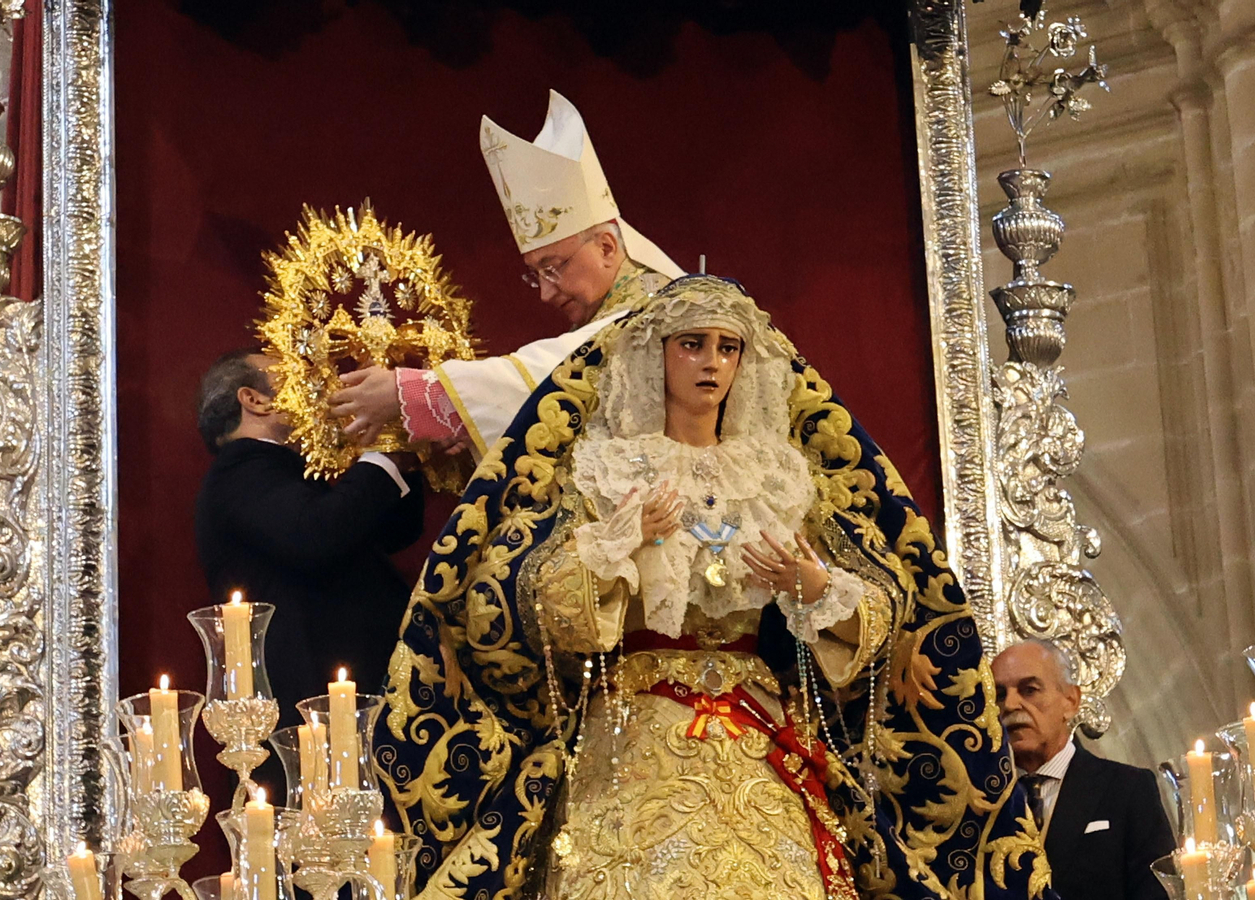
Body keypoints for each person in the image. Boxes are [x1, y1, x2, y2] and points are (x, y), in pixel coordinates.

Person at [371, 276, 1054, 900]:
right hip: (634, 723)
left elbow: (882, 598)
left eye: (728, 348)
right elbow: (540, 600)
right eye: (692, 344)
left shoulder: (778, 475)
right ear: (655, 355)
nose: (711, 363)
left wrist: (814, 586)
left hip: (761, 728)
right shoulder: (606, 467)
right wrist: (620, 546)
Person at [328, 90, 687, 457]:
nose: (545, 293)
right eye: (535, 275)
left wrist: (409, 392)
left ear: (607, 248)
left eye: (552, 268)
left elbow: (560, 370)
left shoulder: (660, 307)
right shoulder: (616, 304)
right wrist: (477, 422)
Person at [193, 347, 425, 715]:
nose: (315, 385)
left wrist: (400, 455)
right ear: (254, 400)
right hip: (312, 705)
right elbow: (319, 535)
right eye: (294, 376)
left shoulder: (278, 472)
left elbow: (391, 533)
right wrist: (383, 458)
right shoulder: (239, 471)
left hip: (348, 693)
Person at [993, 640, 1174, 900]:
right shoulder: (982, 801)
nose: (1010, 705)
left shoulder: (1127, 790)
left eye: (1029, 690)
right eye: (999, 695)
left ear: (1070, 701)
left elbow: (1157, 892)